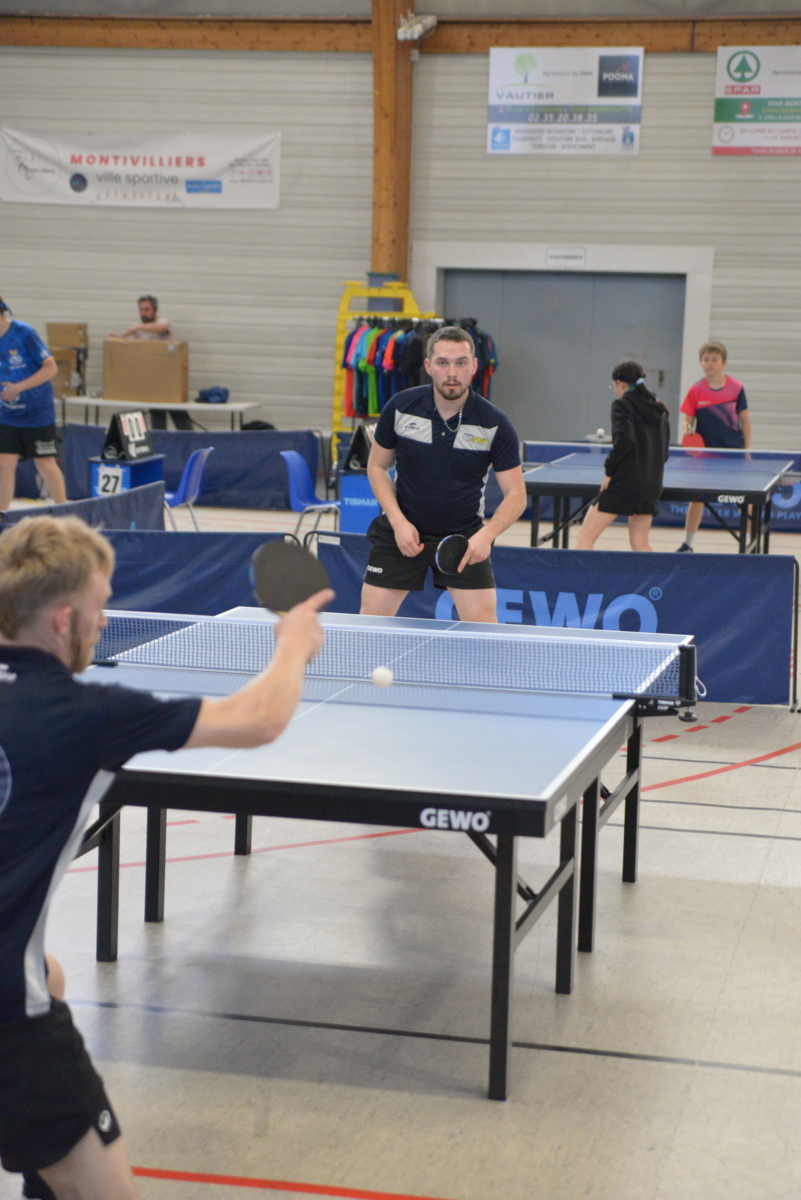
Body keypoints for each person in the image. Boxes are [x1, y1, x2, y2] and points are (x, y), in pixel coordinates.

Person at [0, 515, 332, 1200]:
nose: (105, 620)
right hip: (7, 1019)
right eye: (100, 605)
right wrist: (294, 646)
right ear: (62, 620)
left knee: (50, 972)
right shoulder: (84, 715)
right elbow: (259, 718)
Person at [360, 326, 526, 624]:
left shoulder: (494, 424)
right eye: (443, 363)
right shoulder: (400, 408)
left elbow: (516, 495)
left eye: (461, 362)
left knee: (484, 635)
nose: (452, 372)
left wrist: (486, 535)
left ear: (474, 366)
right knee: (369, 627)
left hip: (463, 539)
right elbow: (377, 466)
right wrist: (397, 522)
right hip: (401, 533)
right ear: (428, 366)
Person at [576, 361, 670, 552]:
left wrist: (609, 471)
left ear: (620, 383)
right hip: (651, 484)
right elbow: (664, 454)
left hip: (625, 484)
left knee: (585, 537)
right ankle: (656, 574)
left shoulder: (622, 405)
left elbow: (624, 441)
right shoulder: (659, 408)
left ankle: (582, 574)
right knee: (640, 543)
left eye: (614, 386)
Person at [676, 340, 751, 552]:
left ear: (723, 362)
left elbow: (745, 420)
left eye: (714, 359)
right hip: (706, 456)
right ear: (701, 363)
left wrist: (747, 450)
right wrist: (687, 429)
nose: (709, 363)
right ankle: (687, 544)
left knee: (748, 500)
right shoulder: (695, 390)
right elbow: (687, 420)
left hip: (733, 453)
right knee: (696, 500)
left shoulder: (736, 388)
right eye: (706, 359)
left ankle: (750, 544)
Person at [0, 300, 67, 512]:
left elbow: (51, 368)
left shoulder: (24, 333)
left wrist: (18, 388)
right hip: (7, 413)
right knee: (4, 463)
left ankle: (64, 512)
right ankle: (2, 516)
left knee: (45, 463)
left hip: (37, 411)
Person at [108, 296, 189, 429]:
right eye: (141, 310)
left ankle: (188, 440)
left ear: (155, 310)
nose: (143, 313)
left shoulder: (163, 322)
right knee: (157, 417)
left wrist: (138, 327)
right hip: (153, 379)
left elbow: (160, 328)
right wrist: (115, 338)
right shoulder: (139, 330)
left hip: (170, 379)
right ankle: (160, 441)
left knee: (178, 416)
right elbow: (126, 344)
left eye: (147, 309)